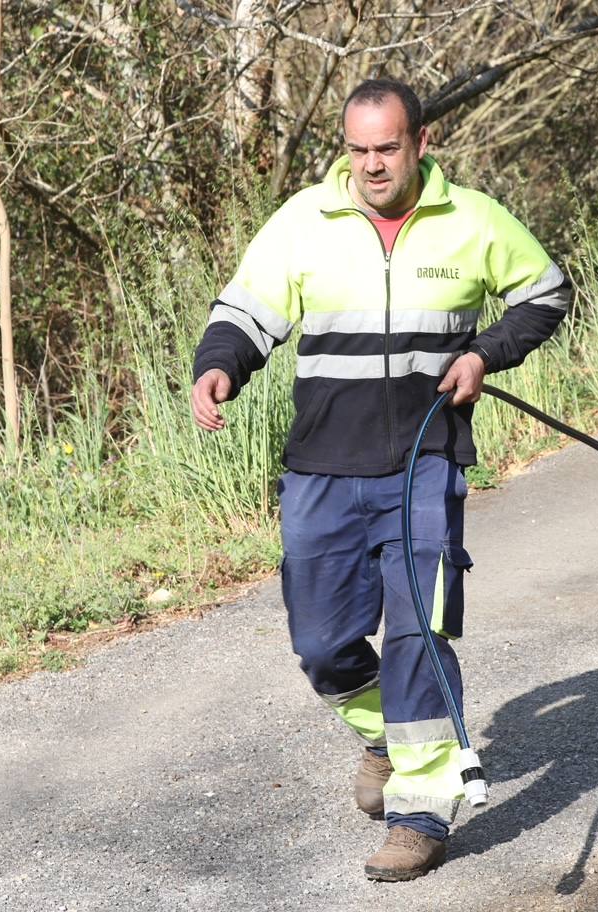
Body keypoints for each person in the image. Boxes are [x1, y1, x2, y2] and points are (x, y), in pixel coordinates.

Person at [189, 78, 571, 881]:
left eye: (387, 148)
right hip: (322, 467)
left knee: (416, 634)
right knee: (322, 645)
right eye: (358, 149)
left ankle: (421, 814)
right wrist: (219, 367)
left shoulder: (472, 220)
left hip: (424, 464)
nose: (371, 165)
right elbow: (246, 311)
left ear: (420, 144)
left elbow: (546, 292)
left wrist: (482, 354)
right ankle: (385, 737)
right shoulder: (306, 221)